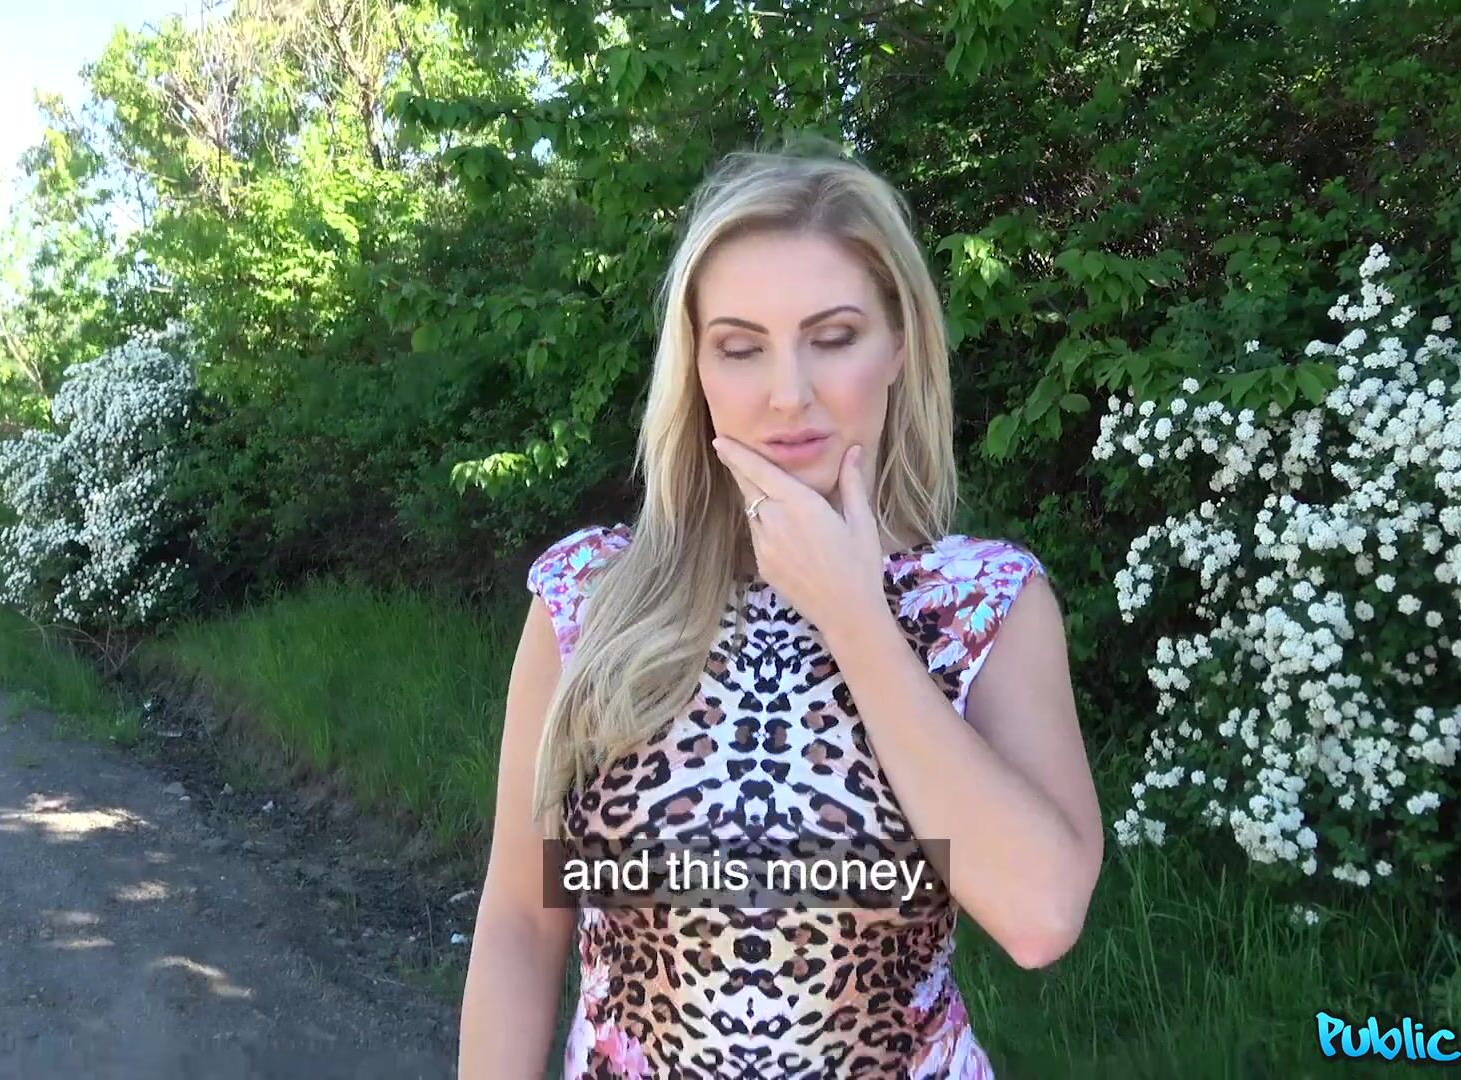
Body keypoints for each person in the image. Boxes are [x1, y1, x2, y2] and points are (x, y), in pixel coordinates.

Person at [458, 138, 1103, 1079]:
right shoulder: (589, 597)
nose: (788, 393)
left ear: (899, 346)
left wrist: (854, 617)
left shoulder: (983, 604)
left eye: (833, 337)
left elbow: (1041, 917)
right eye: (740, 347)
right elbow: (523, 917)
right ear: (696, 368)